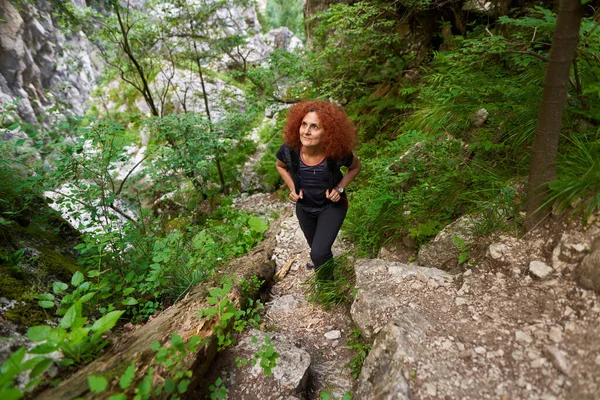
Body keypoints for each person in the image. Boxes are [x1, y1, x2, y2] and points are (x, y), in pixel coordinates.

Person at [275, 100, 361, 275]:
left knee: (318, 252)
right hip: (305, 208)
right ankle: (322, 265)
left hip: (331, 207)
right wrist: (292, 188)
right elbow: (280, 166)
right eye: (304, 124)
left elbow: (356, 167)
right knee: (317, 249)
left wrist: (339, 188)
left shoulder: (337, 153)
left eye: (314, 127)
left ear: (327, 132)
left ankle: (327, 289)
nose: (306, 131)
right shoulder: (290, 151)